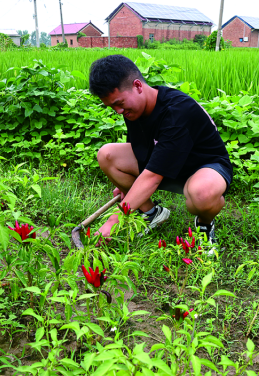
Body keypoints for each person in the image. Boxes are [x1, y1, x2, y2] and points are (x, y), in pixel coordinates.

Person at [88, 54, 233, 247]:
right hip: (164, 165)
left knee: (202, 194)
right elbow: (138, 148)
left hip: (203, 168)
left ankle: (205, 226)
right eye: (112, 106)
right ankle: (151, 214)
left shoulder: (177, 111)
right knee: (107, 155)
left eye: (119, 104)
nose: (118, 111)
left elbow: (152, 176)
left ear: (138, 86)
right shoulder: (133, 108)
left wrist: (114, 220)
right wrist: (127, 189)